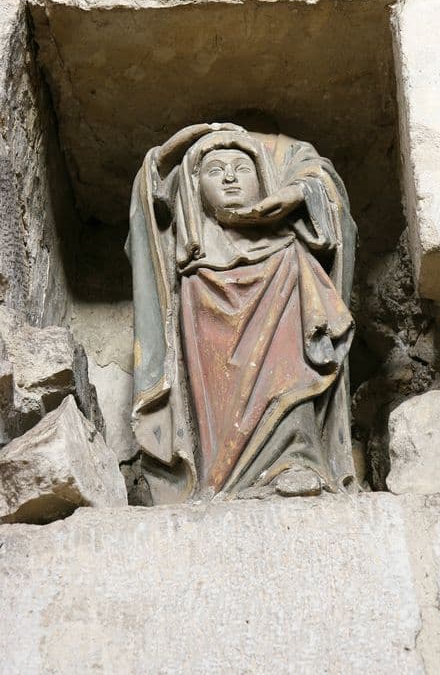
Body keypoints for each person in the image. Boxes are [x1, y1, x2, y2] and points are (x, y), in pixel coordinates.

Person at [126, 123, 357, 503]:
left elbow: (324, 185)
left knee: (290, 372)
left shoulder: (290, 254)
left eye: (243, 168)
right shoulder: (191, 268)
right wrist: (172, 149)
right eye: (216, 171)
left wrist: (298, 193)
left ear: (264, 177)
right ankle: (220, 478)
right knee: (216, 396)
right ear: (194, 187)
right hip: (206, 288)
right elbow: (150, 199)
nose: (230, 178)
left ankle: (295, 461)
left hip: (280, 269)